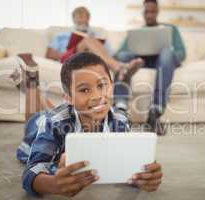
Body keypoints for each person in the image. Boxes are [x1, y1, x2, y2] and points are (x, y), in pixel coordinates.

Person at [17, 52, 163, 197]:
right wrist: (54, 184)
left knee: (53, 113)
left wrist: (143, 175)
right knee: (34, 117)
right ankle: (31, 83)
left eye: (102, 85)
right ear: (68, 97)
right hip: (41, 126)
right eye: (85, 90)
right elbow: (31, 172)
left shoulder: (121, 120)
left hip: (68, 112)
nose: (97, 97)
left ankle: (37, 93)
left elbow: (124, 161)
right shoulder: (52, 123)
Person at [115, 0, 186, 136]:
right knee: (124, 56)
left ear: (157, 12)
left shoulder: (171, 29)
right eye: (146, 12)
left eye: (152, 11)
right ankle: (120, 108)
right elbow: (119, 54)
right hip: (143, 61)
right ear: (143, 13)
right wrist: (138, 52)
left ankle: (155, 112)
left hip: (164, 61)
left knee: (166, 53)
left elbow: (181, 53)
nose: (149, 15)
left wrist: (166, 50)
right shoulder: (138, 32)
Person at [46, 6, 143, 76]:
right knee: (87, 40)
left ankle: (122, 67)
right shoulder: (62, 35)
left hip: (92, 59)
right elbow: (49, 54)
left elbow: (111, 53)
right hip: (71, 57)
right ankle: (119, 68)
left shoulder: (96, 35)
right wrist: (65, 54)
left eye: (85, 16)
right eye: (79, 16)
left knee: (92, 41)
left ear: (89, 18)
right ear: (73, 18)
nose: (82, 19)